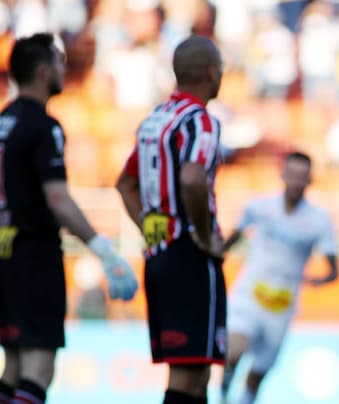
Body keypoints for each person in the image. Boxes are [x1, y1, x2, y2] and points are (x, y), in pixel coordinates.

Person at [0, 33, 138, 404]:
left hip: (4, 255)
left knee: (12, 367)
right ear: (44, 71)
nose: (65, 69)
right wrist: (104, 250)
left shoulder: (4, 122)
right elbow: (58, 199)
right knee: (38, 367)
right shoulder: (44, 127)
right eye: (60, 63)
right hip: (33, 255)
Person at [116, 34, 226, 404]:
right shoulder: (200, 121)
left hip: (159, 254)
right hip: (189, 258)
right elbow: (193, 178)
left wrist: (153, 230)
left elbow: (125, 183)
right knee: (189, 373)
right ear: (212, 73)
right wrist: (202, 234)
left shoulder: (155, 120)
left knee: (195, 372)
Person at [220, 151, 339, 404]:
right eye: (292, 175)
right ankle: (222, 394)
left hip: (281, 306)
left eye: (302, 177)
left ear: (310, 180)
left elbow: (333, 269)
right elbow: (233, 238)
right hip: (249, 296)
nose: (296, 182)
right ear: (283, 175)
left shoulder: (319, 221)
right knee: (234, 351)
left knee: (257, 375)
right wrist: (216, 253)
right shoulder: (259, 207)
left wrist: (319, 280)